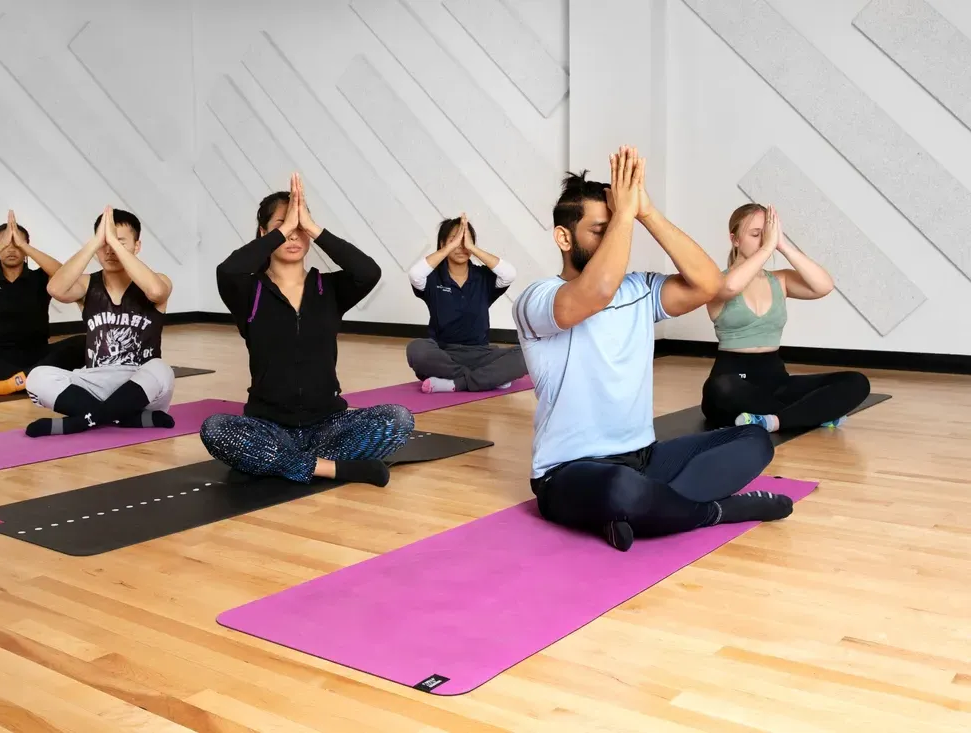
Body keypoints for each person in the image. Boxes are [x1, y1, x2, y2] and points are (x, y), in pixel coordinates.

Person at [512, 146, 793, 552]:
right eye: (600, 229)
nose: (614, 235)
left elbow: (709, 284)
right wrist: (624, 215)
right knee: (620, 490)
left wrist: (647, 213)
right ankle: (714, 511)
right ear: (563, 236)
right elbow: (595, 293)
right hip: (568, 471)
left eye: (617, 227)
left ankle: (639, 515)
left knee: (753, 441)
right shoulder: (538, 297)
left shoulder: (640, 289)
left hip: (644, 458)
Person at [201, 173, 414, 487]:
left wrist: (314, 227)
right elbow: (227, 270)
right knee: (215, 428)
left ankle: (287, 462)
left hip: (328, 424)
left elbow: (368, 271)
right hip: (268, 425)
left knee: (399, 419)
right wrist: (284, 229)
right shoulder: (249, 291)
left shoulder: (328, 288)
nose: (293, 236)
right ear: (263, 233)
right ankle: (334, 469)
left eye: (300, 228)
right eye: (282, 227)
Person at [700, 203, 870, 431]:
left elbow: (824, 286)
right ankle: (812, 414)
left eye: (767, 234)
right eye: (755, 234)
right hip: (733, 381)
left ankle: (775, 420)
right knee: (722, 388)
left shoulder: (780, 280)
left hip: (776, 381)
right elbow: (730, 287)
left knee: (857, 382)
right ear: (735, 239)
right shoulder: (716, 281)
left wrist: (782, 246)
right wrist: (766, 249)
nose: (763, 240)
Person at [23, 207, 175, 437]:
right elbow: (55, 289)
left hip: (141, 382)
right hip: (94, 382)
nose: (111, 250)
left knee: (161, 369)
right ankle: (123, 417)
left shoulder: (158, 280)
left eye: (119, 242)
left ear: (137, 246)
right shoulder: (86, 286)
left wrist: (111, 242)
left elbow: (156, 292)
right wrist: (96, 242)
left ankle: (81, 422)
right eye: (105, 244)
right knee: (37, 377)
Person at [0, 211, 85, 397]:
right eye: (5, 245)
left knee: (85, 342)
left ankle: (9, 384)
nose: (11, 249)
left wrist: (24, 245)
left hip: (38, 355)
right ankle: (29, 380)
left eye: (17, 245)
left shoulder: (39, 278)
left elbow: (65, 275)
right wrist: (0, 246)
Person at [405, 213, 528, 393]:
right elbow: (415, 274)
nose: (460, 246)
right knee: (416, 350)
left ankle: (456, 383)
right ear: (442, 245)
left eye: (465, 241)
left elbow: (509, 274)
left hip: (481, 353)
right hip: (443, 353)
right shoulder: (433, 278)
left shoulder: (483, 277)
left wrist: (472, 248)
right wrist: (450, 248)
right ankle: (488, 379)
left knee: (527, 355)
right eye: (454, 240)